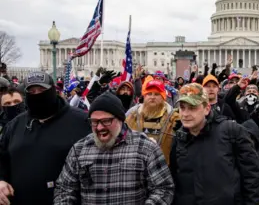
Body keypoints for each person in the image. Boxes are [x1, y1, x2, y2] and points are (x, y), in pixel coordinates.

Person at [53, 92, 174, 204]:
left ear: (120, 119)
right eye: (94, 122)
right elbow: (64, 189)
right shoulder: (79, 150)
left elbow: (163, 189)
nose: (100, 127)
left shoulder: (146, 148)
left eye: (106, 121)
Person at [0, 72, 90, 205]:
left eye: (42, 90)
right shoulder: (15, 125)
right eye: (32, 91)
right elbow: (2, 158)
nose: (37, 95)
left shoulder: (81, 121)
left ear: (53, 90)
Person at [169, 83, 259, 204]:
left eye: (192, 108)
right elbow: (174, 180)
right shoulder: (179, 139)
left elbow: (253, 175)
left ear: (207, 108)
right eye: (182, 108)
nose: (186, 114)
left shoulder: (231, 131)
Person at [125, 79, 179, 165]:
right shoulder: (132, 116)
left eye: (156, 94)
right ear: (144, 96)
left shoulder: (174, 118)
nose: (152, 97)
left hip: (164, 167)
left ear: (163, 97)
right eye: (149, 94)